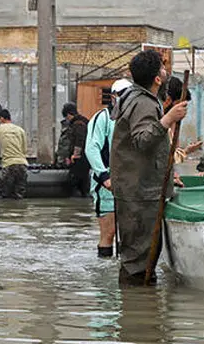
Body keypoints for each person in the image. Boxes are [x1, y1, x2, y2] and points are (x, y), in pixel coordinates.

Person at [110, 49, 188, 285]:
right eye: (163, 69)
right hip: (140, 193)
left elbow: (151, 150)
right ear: (157, 78)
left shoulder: (136, 97)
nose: (166, 72)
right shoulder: (143, 103)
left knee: (140, 255)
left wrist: (166, 173)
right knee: (139, 260)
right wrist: (168, 119)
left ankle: (140, 308)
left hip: (140, 188)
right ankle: (137, 311)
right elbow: (143, 141)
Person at [85, 78, 133, 258]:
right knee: (109, 232)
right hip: (107, 184)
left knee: (128, 234)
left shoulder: (135, 119)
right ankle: (105, 272)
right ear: (113, 98)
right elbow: (92, 148)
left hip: (130, 182)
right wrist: (104, 177)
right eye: (122, 96)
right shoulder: (102, 118)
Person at [62, 103, 91, 197]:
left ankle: (77, 203)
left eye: (66, 117)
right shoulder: (83, 122)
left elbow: (79, 140)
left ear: (69, 115)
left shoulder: (79, 124)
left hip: (81, 158)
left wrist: (75, 154)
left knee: (76, 180)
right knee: (82, 181)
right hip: (83, 157)